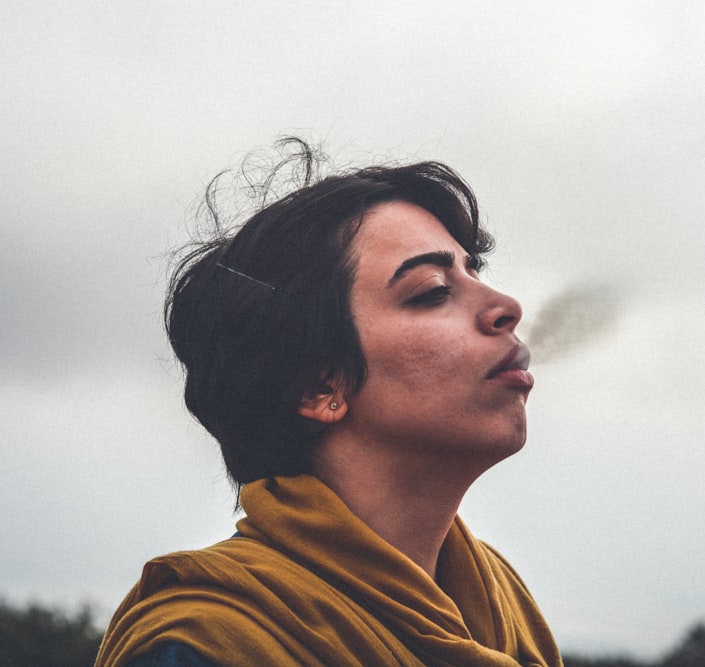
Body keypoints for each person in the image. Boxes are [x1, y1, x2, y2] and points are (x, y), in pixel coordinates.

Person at [96, 139, 562, 667]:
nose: (506, 307)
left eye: (474, 272)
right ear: (319, 389)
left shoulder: (502, 613)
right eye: (432, 290)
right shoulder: (209, 645)